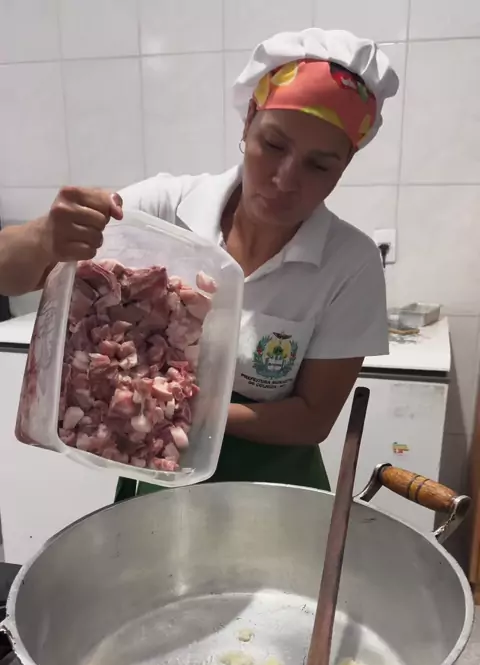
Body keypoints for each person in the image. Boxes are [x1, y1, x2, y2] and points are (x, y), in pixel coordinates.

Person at [0, 28, 398, 499]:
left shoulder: (348, 262)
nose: (285, 179)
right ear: (249, 122)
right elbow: (10, 272)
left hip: (276, 492)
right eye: (274, 145)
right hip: (160, 474)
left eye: (319, 165)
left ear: (345, 164)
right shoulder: (166, 208)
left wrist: (173, 406)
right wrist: (44, 237)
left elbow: (312, 419)